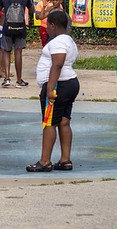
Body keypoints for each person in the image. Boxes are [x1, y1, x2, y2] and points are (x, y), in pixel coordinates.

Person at [27, 10, 80, 172]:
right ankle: (65, 160)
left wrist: (50, 88)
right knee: (63, 121)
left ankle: (45, 161)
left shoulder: (58, 42)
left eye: (47, 24)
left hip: (58, 86)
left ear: (52, 25)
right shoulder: (68, 40)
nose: (46, 27)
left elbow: (57, 63)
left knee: (49, 123)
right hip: (69, 83)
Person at [0, 0, 34, 88]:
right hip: (20, 28)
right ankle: (19, 80)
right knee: (18, 53)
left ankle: (7, 78)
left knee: (7, 52)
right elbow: (32, 10)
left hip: (7, 28)